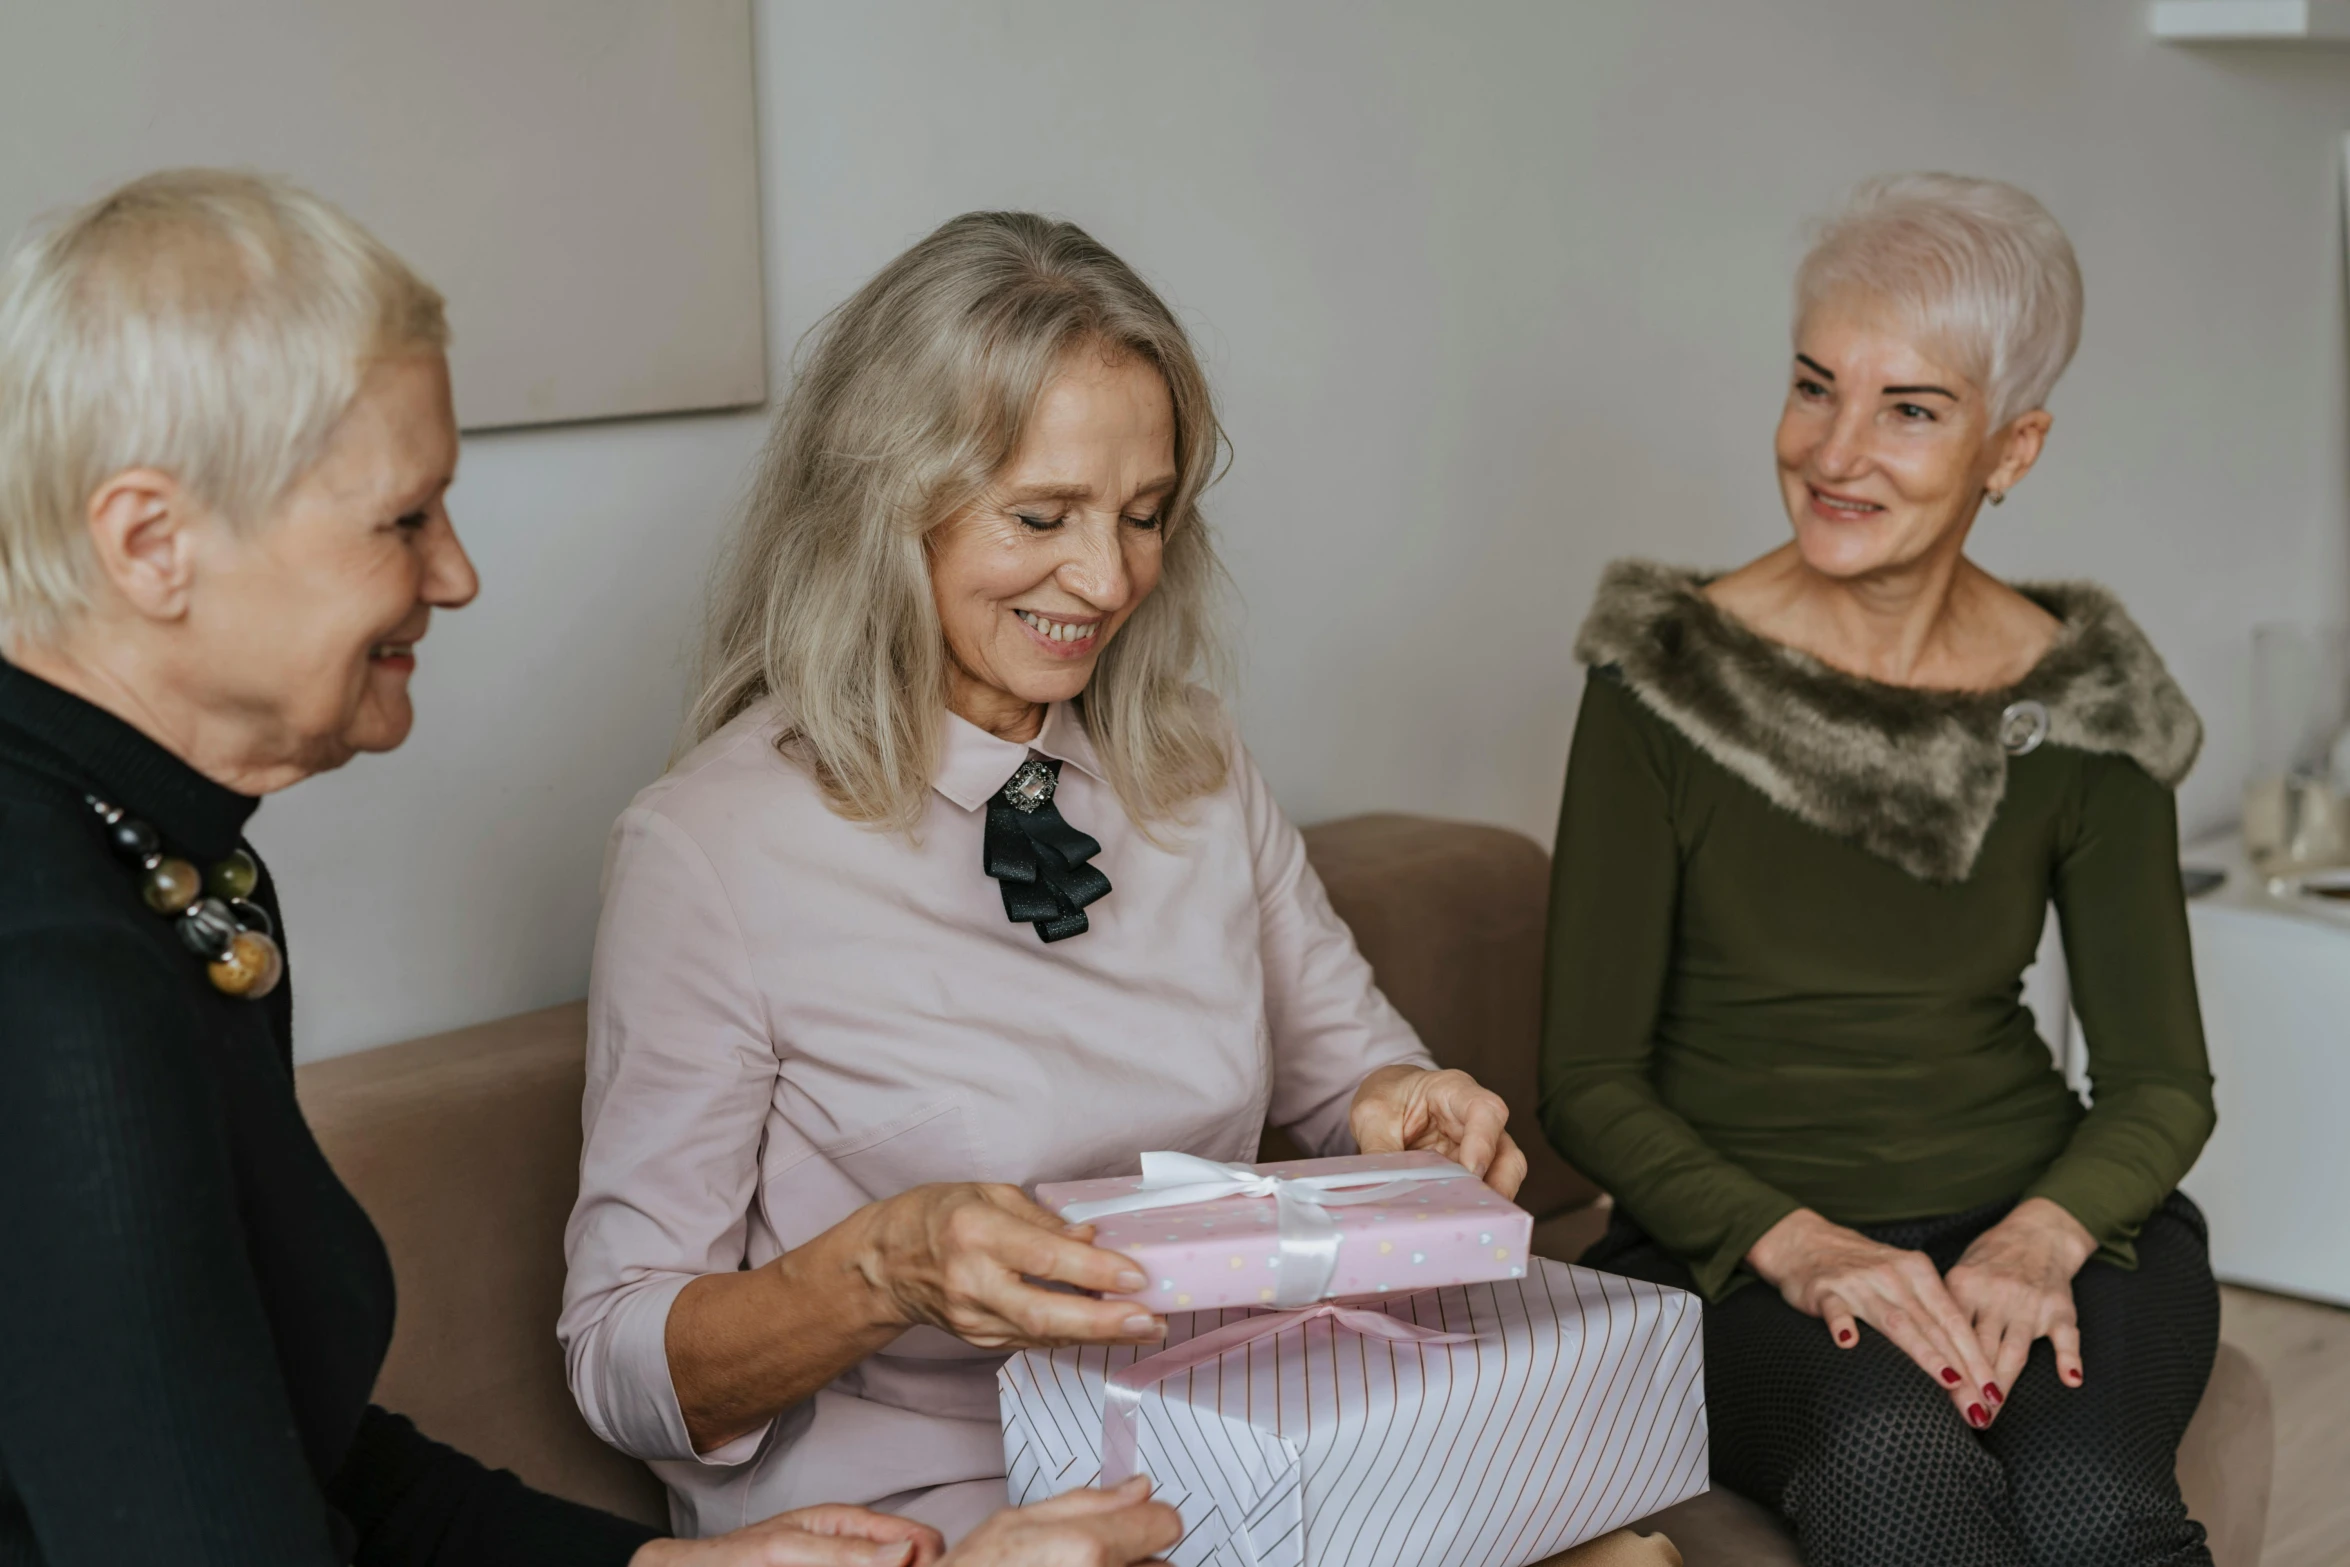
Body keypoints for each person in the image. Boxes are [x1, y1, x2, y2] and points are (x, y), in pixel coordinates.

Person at [0, 168, 1181, 1567]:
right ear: (151, 544)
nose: (458, 576)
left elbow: (310, 1456)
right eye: (403, 520)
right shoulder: (54, 981)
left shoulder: (174, 875)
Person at [559, 211, 1529, 1544]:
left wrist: (1405, 1106)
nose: (1108, 575)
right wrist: (885, 1267)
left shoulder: (1192, 762)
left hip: (1229, 1445)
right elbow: (620, 1358)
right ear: (886, 502)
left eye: (1143, 515)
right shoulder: (711, 847)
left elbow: (1344, 1079)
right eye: (1041, 514)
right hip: (938, 1509)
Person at [1541, 172, 2219, 1567]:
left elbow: (2158, 1085)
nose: (1834, 451)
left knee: (2095, 1513)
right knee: (1888, 1475)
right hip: (1737, 1252)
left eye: (1910, 408)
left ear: (2009, 447)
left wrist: (2039, 1238)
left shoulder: (2080, 703)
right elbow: (1586, 1081)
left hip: (2038, 1213)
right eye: (1812, 386)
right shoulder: (1660, 676)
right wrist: (1797, 1243)